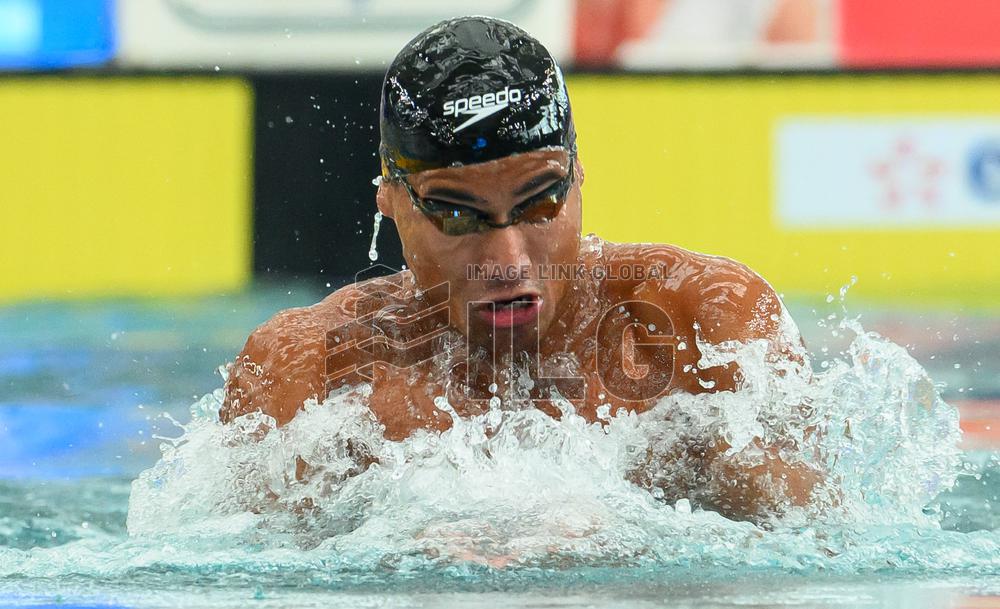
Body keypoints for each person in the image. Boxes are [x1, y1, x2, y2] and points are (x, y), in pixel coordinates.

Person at [220, 16, 820, 521]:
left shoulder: (702, 326)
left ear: (579, 176)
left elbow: (805, 572)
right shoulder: (310, 373)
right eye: (458, 214)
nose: (507, 264)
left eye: (540, 203)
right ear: (390, 200)